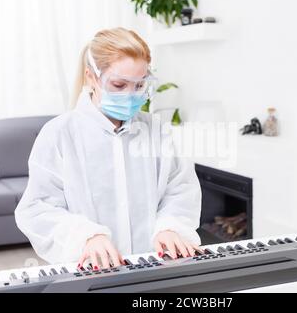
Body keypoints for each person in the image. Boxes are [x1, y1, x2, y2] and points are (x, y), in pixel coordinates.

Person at [15, 27, 202, 270]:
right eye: (119, 84)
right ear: (91, 77)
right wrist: (86, 236)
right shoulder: (59, 134)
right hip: (91, 270)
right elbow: (38, 209)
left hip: (153, 266)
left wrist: (170, 226)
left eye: (139, 85)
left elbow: (180, 189)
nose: (131, 95)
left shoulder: (156, 131)